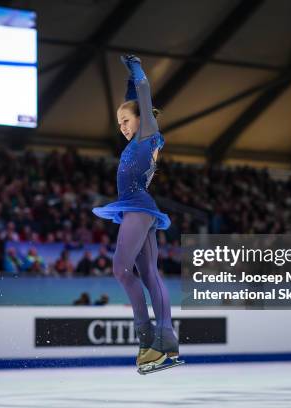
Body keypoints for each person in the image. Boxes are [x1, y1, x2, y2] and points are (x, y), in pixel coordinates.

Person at [92, 55, 180, 373]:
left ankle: (146, 336)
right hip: (137, 209)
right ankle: (164, 338)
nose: (122, 128)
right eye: (118, 124)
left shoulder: (148, 133)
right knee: (149, 274)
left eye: (125, 121)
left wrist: (137, 69)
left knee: (120, 269)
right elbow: (134, 97)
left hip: (138, 207)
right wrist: (130, 79)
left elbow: (142, 96)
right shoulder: (138, 138)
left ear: (140, 120)